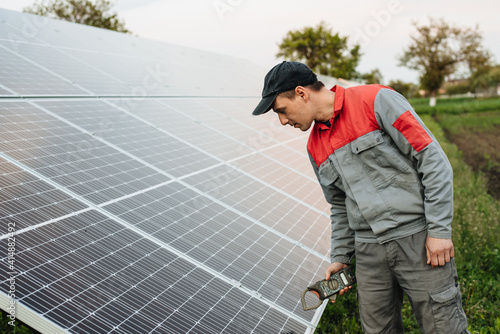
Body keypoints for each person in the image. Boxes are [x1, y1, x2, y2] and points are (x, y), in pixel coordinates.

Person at [252, 61, 469, 333]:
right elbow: (340, 206)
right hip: (369, 253)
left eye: (281, 111)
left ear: (301, 93)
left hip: (418, 240)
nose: (283, 121)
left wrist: (439, 230)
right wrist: (341, 256)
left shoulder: (376, 101)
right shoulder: (314, 147)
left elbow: (432, 161)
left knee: (443, 326)